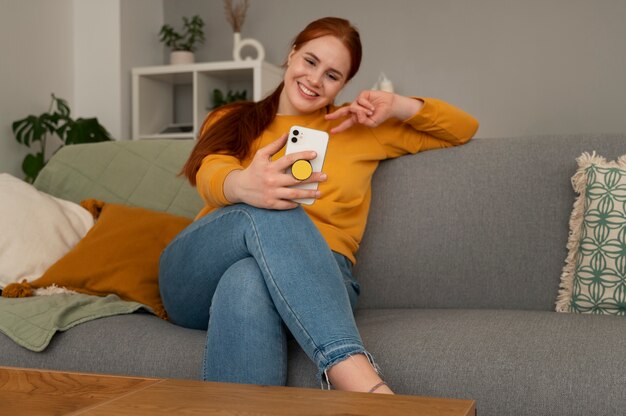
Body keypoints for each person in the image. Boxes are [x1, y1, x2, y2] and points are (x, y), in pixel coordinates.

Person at [159, 16, 479, 394]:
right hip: (200, 272)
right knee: (272, 202)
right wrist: (245, 185)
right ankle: (357, 378)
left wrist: (396, 104)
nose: (315, 80)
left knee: (247, 280)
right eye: (310, 61)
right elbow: (209, 171)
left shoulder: (359, 128)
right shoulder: (230, 118)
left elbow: (464, 129)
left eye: (332, 75)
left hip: (320, 276)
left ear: (343, 85)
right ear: (292, 54)